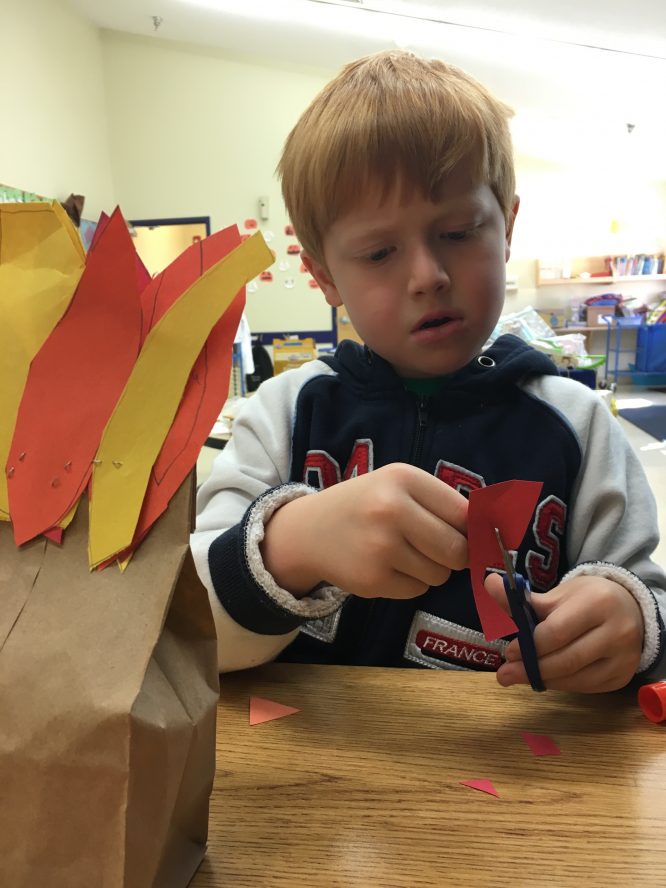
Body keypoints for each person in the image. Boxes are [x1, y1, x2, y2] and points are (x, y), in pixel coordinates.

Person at [192, 50, 666, 691]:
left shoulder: (578, 426)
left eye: (460, 232)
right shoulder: (284, 414)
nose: (428, 276)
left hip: (513, 749)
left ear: (507, 228)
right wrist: (291, 544)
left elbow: (650, 603)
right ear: (324, 276)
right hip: (294, 749)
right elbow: (185, 625)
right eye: (378, 252)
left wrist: (634, 622)